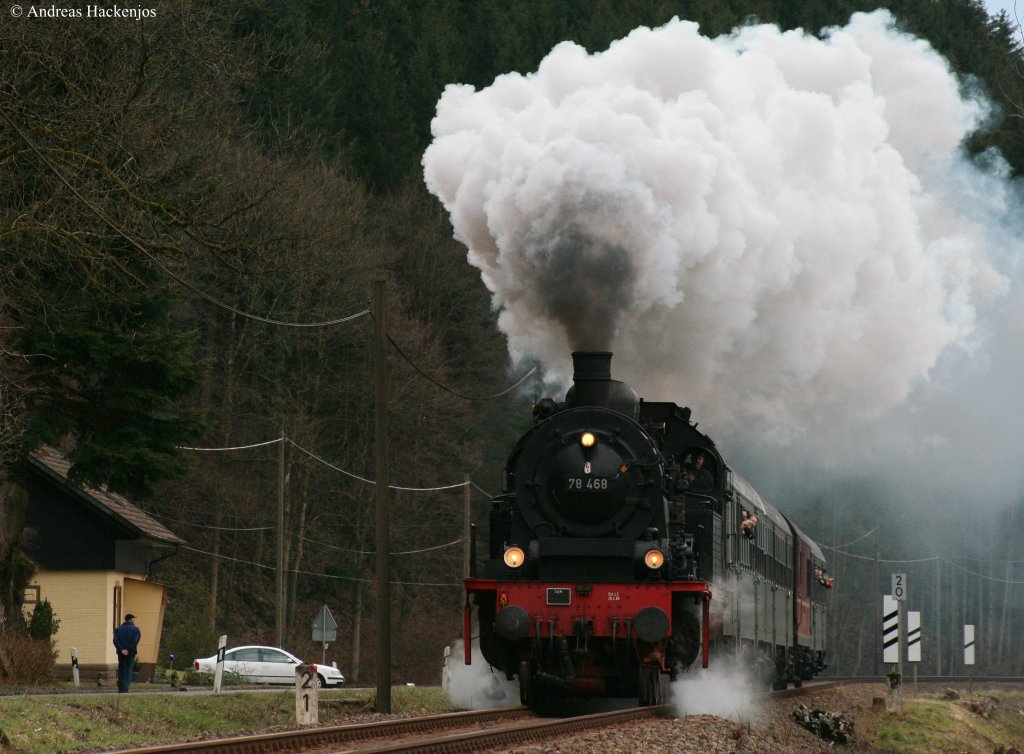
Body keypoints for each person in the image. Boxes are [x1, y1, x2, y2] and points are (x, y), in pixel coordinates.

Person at [113, 613, 141, 693]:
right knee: (128, 669)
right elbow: (135, 641)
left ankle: (121, 688)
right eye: (134, 618)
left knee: (121, 669)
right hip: (131, 653)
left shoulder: (118, 629)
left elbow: (115, 641)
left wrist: (121, 649)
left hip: (121, 653)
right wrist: (128, 649)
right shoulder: (136, 629)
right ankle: (125, 688)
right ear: (131, 619)